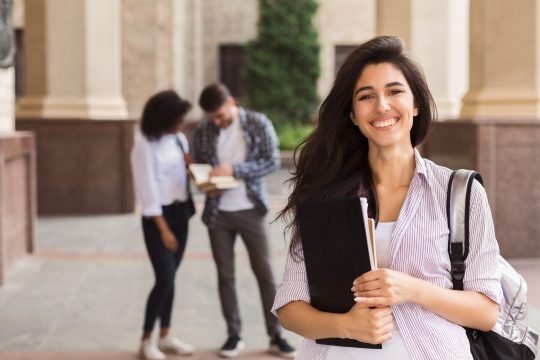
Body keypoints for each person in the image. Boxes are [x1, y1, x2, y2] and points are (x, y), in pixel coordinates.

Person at [272, 36, 503, 360]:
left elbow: (486, 311)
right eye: (366, 96)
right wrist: (346, 326)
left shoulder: (459, 192)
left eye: (394, 92)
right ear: (352, 113)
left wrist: (413, 289)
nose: (381, 106)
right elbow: (290, 307)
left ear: (416, 103)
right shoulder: (324, 192)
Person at [192, 83, 296, 359]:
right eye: (211, 117)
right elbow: (201, 165)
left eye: (220, 115)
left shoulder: (257, 123)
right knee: (225, 276)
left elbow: (271, 161)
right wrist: (205, 182)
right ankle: (233, 335)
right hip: (217, 213)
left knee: (266, 275)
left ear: (231, 102)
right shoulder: (204, 130)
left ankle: (276, 335)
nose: (216, 121)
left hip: (251, 209)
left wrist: (235, 170)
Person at [131, 90, 195, 360]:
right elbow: (148, 194)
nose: (182, 123)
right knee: (164, 278)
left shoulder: (179, 140)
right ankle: (146, 340)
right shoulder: (144, 145)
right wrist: (164, 231)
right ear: (163, 118)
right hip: (158, 219)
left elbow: (182, 177)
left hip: (181, 214)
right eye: (178, 118)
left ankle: (165, 336)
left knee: (171, 278)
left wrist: (191, 168)